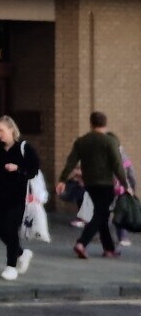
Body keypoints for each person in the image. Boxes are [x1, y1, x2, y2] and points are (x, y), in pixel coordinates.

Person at [57, 111, 125, 259]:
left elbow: (71, 161)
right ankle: (81, 243)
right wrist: (126, 184)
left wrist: (62, 179)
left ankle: (109, 249)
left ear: (91, 123)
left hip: (89, 183)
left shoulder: (82, 141)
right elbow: (117, 164)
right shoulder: (110, 141)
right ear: (105, 123)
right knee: (100, 214)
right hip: (106, 183)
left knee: (102, 213)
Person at [0, 117, 40, 280]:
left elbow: (34, 169)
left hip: (17, 196)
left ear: (11, 130)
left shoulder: (23, 147)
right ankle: (21, 253)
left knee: (11, 228)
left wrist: (18, 168)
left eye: (1, 130)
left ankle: (11, 266)